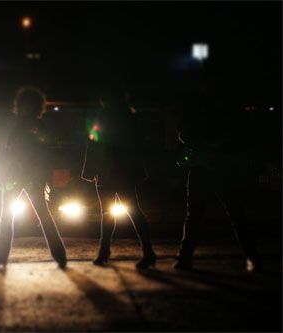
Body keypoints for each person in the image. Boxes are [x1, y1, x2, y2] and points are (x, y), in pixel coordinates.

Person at [174, 88, 263, 272]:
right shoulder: (229, 104)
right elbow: (243, 134)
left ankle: (184, 258)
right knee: (235, 212)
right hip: (223, 164)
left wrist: (201, 148)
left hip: (204, 165)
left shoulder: (196, 104)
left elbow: (183, 132)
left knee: (195, 215)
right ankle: (252, 257)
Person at [0, 87, 67, 270]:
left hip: (16, 177)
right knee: (42, 216)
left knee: (7, 218)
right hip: (30, 176)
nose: (27, 110)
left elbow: (9, 151)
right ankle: (59, 255)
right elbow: (44, 152)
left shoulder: (16, 126)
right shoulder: (37, 126)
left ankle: (0, 258)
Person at [83, 86, 156, 269]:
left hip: (107, 172)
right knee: (133, 211)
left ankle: (104, 252)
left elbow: (94, 144)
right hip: (124, 172)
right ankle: (147, 251)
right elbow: (138, 146)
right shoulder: (128, 118)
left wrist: (89, 171)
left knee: (107, 214)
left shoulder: (103, 117)